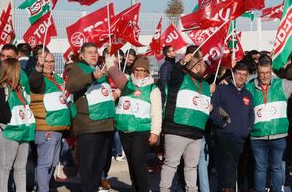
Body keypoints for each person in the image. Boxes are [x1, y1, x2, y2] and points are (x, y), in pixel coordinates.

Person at [106, 56, 162, 192]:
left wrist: (155, 132)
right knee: (131, 163)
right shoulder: (126, 83)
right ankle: (136, 187)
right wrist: (110, 61)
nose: (139, 73)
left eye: (142, 70)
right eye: (137, 70)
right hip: (124, 130)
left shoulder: (153, 89)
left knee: (138, 161)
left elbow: (157, 112)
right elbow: (114, 76)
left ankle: (144, 188)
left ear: (147, 72)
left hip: (141, 131)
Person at [66, 42, 116, 192]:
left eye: (95, 52)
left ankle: (93, 188)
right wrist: (91, 76)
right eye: (90, 52)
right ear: (81, 55)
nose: (94, 55)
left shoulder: (100, 70)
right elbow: (72, 86)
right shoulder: (75, 67)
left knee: (99, 164)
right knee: (87, 164)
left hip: (105, 124)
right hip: (89, 124)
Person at [160, 48, 211, 192]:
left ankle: (192, 190)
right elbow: (174, 74)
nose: (205, 67)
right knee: (171, 164)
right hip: (177, 129)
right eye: (203, 65)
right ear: (196, 66)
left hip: (196, 133)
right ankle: (164, 189)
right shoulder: (180, 77)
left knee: (191, 167)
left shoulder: (205, 84)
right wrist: (182, 62)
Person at [29, 50, 73, 192]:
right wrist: (38, 67)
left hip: (59, 127)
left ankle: (43, 187)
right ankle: (42, 189)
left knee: (53, 163)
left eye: (51, 62)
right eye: (46, 61)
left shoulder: (58, 80)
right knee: (45, 163)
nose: (49, 64)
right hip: (45, 126)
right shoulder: (39, 78)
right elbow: (34, 82)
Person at [246, 57, 292, 192]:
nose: (264, 76)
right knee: (260, 168)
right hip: (257, 136)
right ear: (257, 72)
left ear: (271, 70)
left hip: (278, 135)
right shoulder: (250, 86)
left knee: (276, 167)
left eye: (267, 72)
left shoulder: (282, 84)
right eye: (261, 73)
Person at [0, 58, 36, 192]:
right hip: (7, 130)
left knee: (21, 166)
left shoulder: (19, 88)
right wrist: (12, 118)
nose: (20, 71)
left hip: (22, 130)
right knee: (5, 165)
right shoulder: (1, 88)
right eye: (18, 68)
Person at [210, 62, 255, 191]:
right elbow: (213, 107)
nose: (241, 77)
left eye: (244, 75)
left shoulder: (248, 94)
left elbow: (251, 114)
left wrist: (247, 129)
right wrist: (225, 121)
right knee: (226, 170)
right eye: (239, 74)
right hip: (223, 136)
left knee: (236, 169)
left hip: (240, 138)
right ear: (233, 74)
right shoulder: (222, 89)